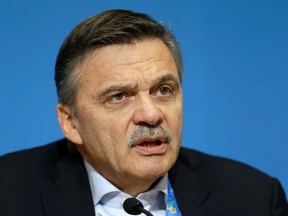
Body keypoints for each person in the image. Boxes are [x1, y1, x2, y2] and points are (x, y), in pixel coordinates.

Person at [0, 9, 287, 216]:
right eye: (118, 96)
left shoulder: (253, 198)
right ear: (70, 122)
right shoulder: (8, 193)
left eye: (163, 90)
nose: (151, 115)